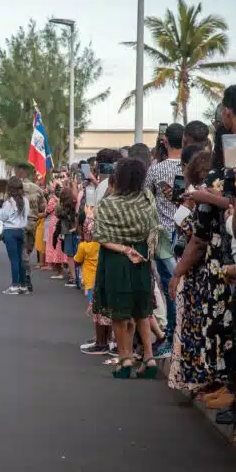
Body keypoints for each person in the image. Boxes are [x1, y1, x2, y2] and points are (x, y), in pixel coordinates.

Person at [168, 149, 235, 399]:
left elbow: (197, 238)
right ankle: (221, 383)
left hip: (214, 268)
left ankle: (226, 385)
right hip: (219, 264)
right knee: (217, 328)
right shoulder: (217, 194)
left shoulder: (208, 197)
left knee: (216, 328)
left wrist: (177, 273)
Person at [93, 157, 160, 378]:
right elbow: (154, 227)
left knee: (119, 313)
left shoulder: (109, 203)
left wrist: (124, 249)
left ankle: (125, 360)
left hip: (117, 259)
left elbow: (101, 236)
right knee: (142, 310)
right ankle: (149, 358)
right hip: (142, 256)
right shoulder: (147, 198)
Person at [146, 123, 185, 353]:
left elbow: (147, 198)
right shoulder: (191, 166)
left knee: (169, 287)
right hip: (186, 233)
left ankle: (171, 337)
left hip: (162, 233)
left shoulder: (155, 170)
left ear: (165, 141)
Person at [74, 219, 105, 354]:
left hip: (90, 282)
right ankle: (105, 338)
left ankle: (99, 339)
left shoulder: (83, 246)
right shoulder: (101, 245)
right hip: (101, 280)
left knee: (95, 312)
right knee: (103, 312)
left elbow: (77, 260)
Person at [0, 177, 30, 294]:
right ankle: (23, 285)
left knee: (14, 260)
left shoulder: (9, 202)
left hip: (10, 231)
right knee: (20, 259)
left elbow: (3, 217)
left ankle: (14, 286)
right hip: (21, 230)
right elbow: (27, 215)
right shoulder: (25, 200)